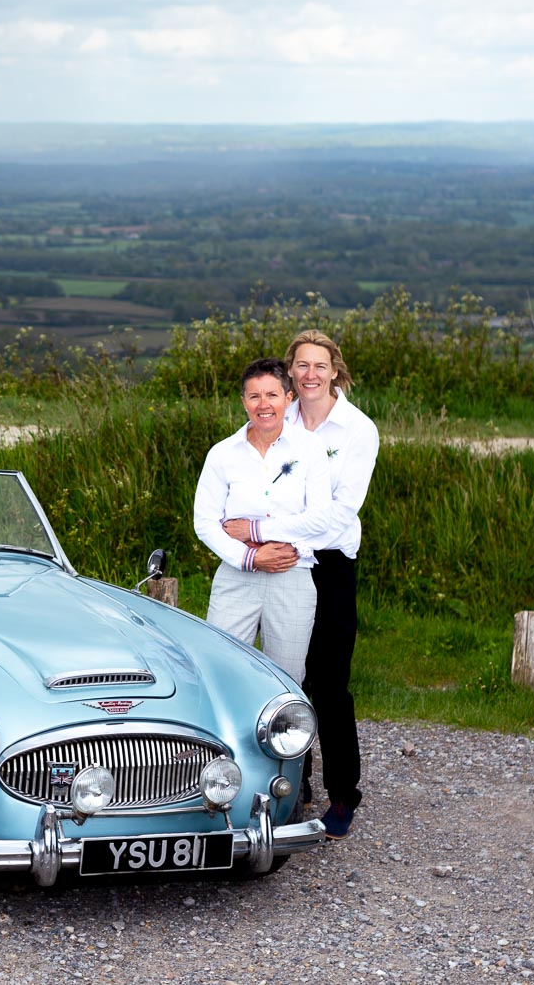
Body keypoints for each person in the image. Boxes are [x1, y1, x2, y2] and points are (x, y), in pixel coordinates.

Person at [278, 328, 379, 841]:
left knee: (329, 681)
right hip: (282, 562)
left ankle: (344, 794)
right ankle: (295, 784)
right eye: (301, 365)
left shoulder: (358, 430)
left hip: (332, 562)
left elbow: (340, 514)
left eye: (320, 365)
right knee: (284, 676)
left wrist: (269, 531)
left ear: (335, 370)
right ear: (291, 371)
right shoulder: (279, 418)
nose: (310, 374)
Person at [193, 357, 333, 684]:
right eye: (254, 396)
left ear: (289, 398)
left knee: (285, 678)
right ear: (243, 402)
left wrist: (254, 529)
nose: (263, 404)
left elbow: (319, 519)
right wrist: (251, 557)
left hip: (292, 573)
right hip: (236, 575)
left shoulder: (311, 449)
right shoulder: (223, 454)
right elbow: (205, 522)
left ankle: (281, 735)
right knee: (222, 668)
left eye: (272, 395)